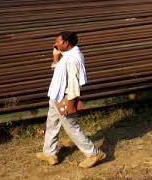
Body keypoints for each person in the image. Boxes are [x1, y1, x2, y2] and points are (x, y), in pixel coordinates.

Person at [38, 32, 106, 168]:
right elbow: (59, 73)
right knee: (52, 123)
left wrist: (70, 103)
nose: (55, 44)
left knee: (72, 128)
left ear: (66, 43)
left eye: (57, 42)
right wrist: (56, 57)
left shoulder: (72, 59)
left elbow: (74, 84)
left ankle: (93, 153)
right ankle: (49, 153)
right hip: (56, 96)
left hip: (64, 98)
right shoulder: (67, 56)